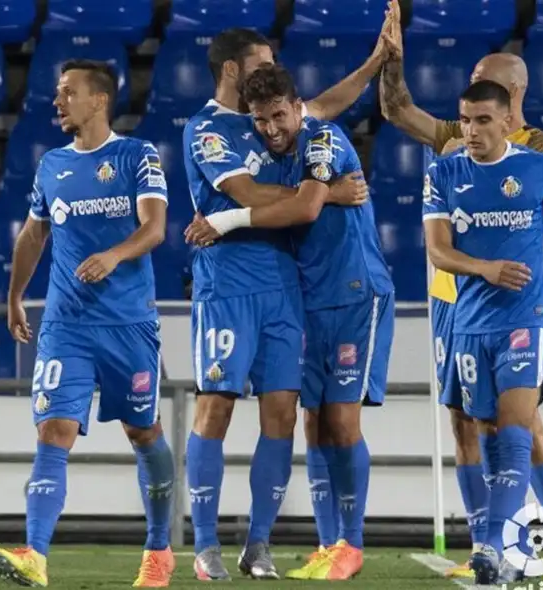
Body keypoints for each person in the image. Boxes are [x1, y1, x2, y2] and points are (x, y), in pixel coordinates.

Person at [178, 16, 396, 579]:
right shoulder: (208, 129)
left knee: (282, 413)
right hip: (228, 285)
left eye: (280, 111)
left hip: (285, 286)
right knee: (216, 406)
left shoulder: (281, 118)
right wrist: (322, 194)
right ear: (233, 70)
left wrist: (375, 63)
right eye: (262, 63)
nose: (272, 71)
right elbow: (248, 192)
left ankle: (259, 545)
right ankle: (205, 546)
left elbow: (322, 105)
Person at [379, 4, 543, 579]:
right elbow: (396, 110)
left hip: (512, 302)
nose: (468, 120)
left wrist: (499, 260)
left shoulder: (538, 152)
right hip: (454, 302)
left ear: (512, 96)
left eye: (482, 83)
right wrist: (391, 61)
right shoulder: (459, 140)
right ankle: (485, 543)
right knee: (466, 423)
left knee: (523, 425)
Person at [0, 59, 174, 588]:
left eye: (68, 92)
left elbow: (155, 228)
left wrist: (114, 255)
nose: (58, 100)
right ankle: (35, 554)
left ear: (99, 100)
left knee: (143, 431)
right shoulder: (52, 165)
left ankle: (159, 549)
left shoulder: (137, 156)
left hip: (128, 324)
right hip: (66, 323)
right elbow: (33, 235)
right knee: (54, 429)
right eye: (57, 91)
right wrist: (15, 295)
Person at [422, 80, 543, 584]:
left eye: (482, 121)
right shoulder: (444, 173)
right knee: (489, 433)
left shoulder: (540, 168)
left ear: (507, 121)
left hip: (525, 319)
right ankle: (520, 546)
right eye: (465, 120)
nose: (471, 131)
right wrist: (486, 269)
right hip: (470, 322)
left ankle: (496, 547)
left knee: (518, 427)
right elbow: (438, 251)